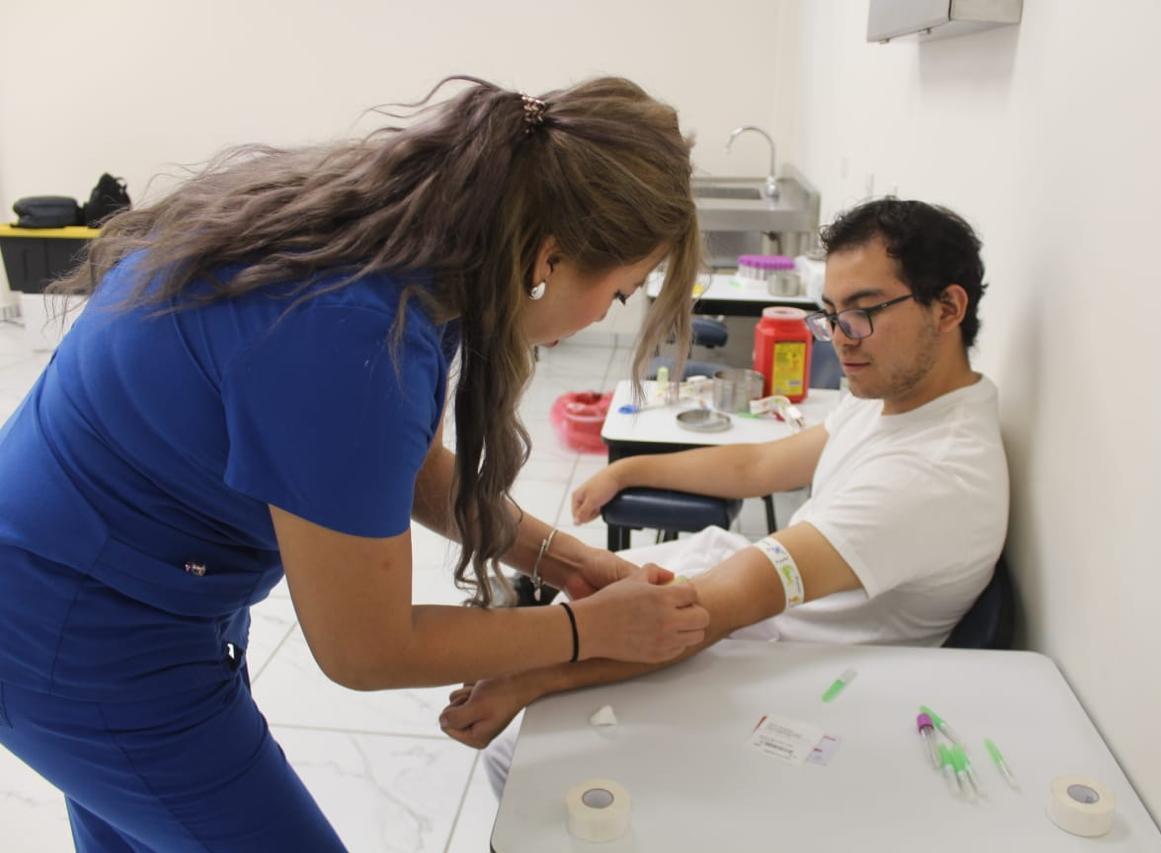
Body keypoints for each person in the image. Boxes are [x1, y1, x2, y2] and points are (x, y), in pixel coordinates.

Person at [0, 76, 712, 851]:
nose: (608, 312)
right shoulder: (350, 331)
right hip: (75, 629)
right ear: (549, 255)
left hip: (103, 585)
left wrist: (560, 555)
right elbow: (364, 647)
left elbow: (389, 462)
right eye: (619, 292)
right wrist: (578, 631)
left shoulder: (401, 246)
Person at [436, 199, 1010, 793]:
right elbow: (761, 462)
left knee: (517, 756)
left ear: (947, 308)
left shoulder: (932, 475)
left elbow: (708, 611)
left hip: (795, 668)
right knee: (584, 600)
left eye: (863, 313)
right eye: (832, 315)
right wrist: (630, 472)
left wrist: (532, 675)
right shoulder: (899, 401)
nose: (841, 340)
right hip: (757, 614)